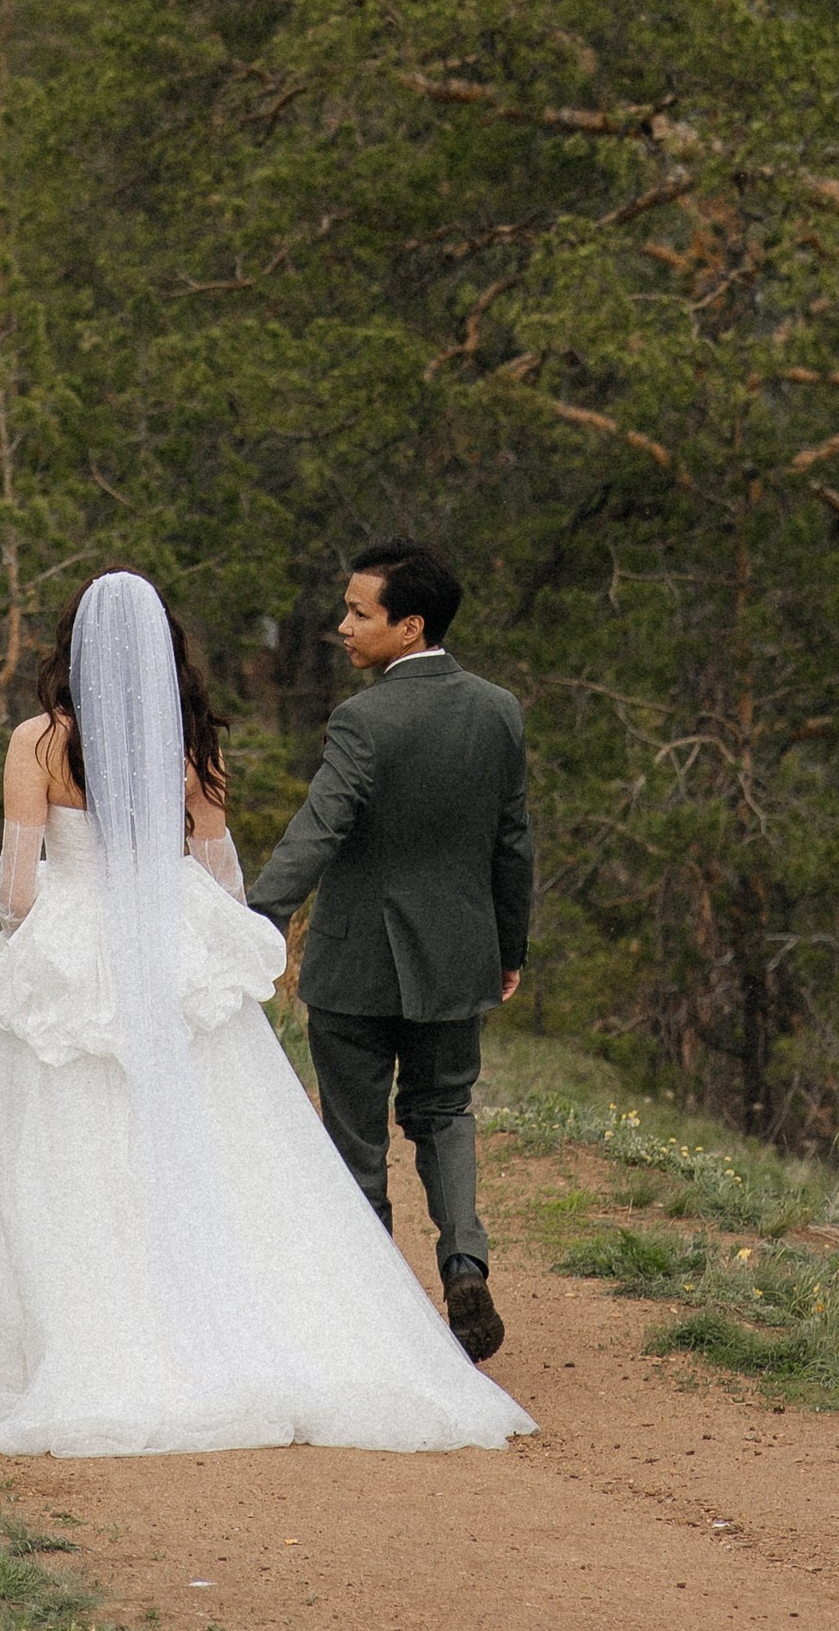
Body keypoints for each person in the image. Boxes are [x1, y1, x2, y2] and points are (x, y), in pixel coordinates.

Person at [0, 566, 532, 1458]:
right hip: (175, 942)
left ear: (73, 651)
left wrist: (24, 950)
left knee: (82, 1151)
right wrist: (220, 933)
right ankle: (288, 1310)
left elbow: (18, 889)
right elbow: (222, 876)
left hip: (77, 947)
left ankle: (98, 1334)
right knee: (223, 1143)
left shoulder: (39, 740)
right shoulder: (188, 744)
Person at [246, 543, 533, 1365]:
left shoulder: (363, 720)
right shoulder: (498, 710)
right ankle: (464, 1264)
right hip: (459, 955)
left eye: (358, 612)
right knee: (444, 1113)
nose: (342, 626)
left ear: (410, 627)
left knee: (355, 1136)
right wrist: (507, 946)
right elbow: (512, 842)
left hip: (356, 963)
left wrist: (257, 918)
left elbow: (318, 830)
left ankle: (375, 1312)